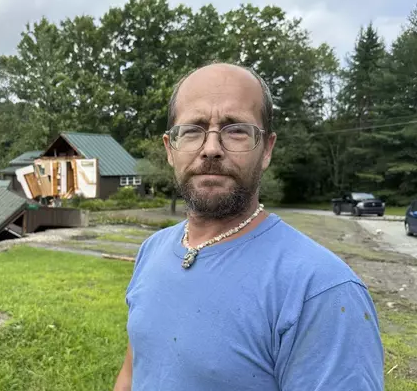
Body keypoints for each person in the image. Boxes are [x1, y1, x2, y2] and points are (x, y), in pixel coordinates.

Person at [113, 62, 384, 391]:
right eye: (193, 130)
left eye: (236, 130)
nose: (211, 149)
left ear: (267, 149)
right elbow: (132, 373)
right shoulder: (151, 251)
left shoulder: (321, 291)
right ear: (170, 149)